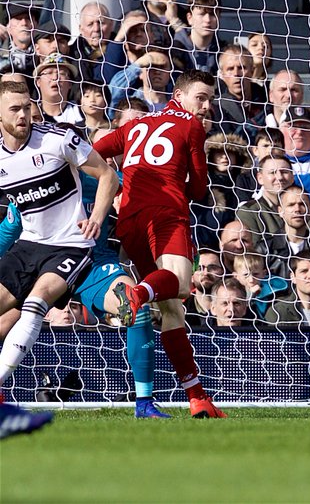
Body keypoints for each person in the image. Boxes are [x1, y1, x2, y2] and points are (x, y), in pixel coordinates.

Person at [92, 69, 226, 418]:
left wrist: (118, 189)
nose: (206, 106)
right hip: (166, 213)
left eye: (210, 100)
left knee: (171, 308)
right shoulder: (192, 126)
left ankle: (196, 396)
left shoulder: (135, 125)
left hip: (129, 221)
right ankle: (135, 294)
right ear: (178, 96)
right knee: (180, 284)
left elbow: (93, 153)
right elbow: (198, 188)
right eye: (201, 98)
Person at [0, 81, 119, 410]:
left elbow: (108, 176)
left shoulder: (58, 138)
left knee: (36, 304)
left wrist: (96, 217)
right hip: (29, 246)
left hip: (70, 245)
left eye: (26, 107)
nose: (23, 114)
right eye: (14, 109)